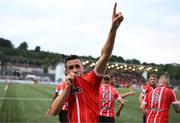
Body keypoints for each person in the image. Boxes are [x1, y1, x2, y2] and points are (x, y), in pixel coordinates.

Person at [47, 2, 124, 122]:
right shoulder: (65, 85)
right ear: (66, 71)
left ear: (82, 68)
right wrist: (67, 87)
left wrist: (113, 29)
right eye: (71, 67)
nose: (74, 69)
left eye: (77, 66)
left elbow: (105, 55)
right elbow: (54, 111)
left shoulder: (92, 79)